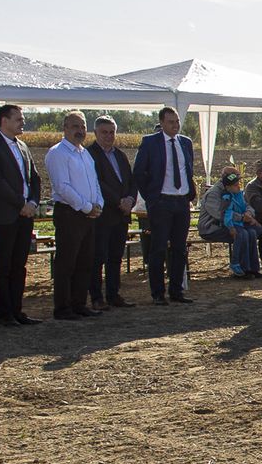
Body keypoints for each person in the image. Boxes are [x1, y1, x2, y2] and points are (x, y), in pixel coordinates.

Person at [0, 104, 42, 327]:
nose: (22, 122)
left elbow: (34, 177)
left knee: (19, 265)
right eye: (18, 119)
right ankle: (4, 314)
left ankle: (17, 310)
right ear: (4, 120)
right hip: (5, 215)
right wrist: (20, 203)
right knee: (3, 264)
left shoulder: (22, 145)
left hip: (25, 214)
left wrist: (32, 202)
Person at [131, 106, 195, 304]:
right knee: (158, 248)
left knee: (179, 248)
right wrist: (152, 197)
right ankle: (158, 292)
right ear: (162, 123)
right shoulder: (151, 142)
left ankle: (176, 290)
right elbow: (139, 172)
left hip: (181, 201)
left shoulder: (185, 143)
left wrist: (189, 195)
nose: (175, 125)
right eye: (170, 122)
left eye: (177, 121)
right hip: (161, 202)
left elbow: (187, 170)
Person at [44, 111, 102, 320]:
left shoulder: (84, 153)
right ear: (65, 128)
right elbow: (62, 187)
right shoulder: (58, 153)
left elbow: (94, 182)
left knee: (85, 262)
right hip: (70, 213)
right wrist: (86, 206)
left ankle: (79, 303)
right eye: (75, 126)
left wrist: (98, 204)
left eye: (83, 127)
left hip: (88, 214)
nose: (80, 131)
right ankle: (63, 307)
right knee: (67, 263)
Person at [84, 116, 138, 309]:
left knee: (116, 257)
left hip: (121, 215)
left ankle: (114, 294)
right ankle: (97, 297)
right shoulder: (89, 154)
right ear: (96, 133)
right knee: (99, 257)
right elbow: (98, 183)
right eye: (104, 132)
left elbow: (131, 181)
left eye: (111, 132)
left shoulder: (120, 155)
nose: (108, 136)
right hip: (102, 214)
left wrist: (130, 199)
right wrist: (118, 201)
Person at [219, 170, 262, 277]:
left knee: (252, 233)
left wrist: (249, 214)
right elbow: (227, 213)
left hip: (242, 223)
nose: (238, 187)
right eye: (235, 185)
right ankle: (238, 264)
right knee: (242, 235)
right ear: (228, 187)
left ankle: (253, 267)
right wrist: (231, 226)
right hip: (234, 225)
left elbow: (247, 206)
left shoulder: (240, 195)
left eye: (238, 184)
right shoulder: (227, 198)